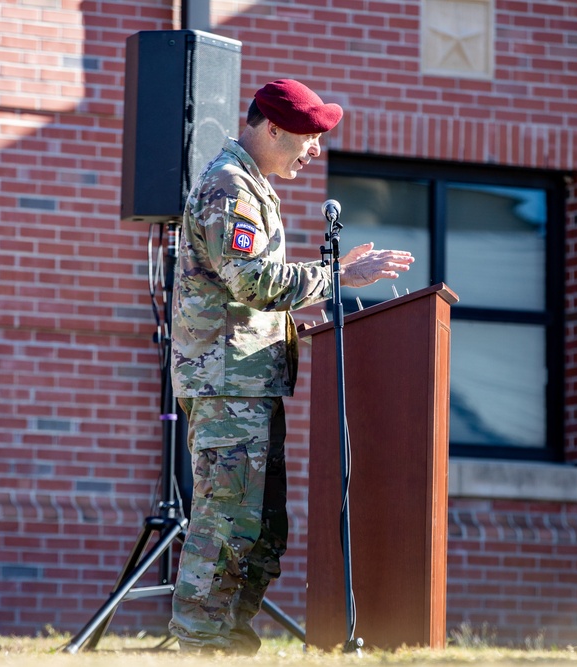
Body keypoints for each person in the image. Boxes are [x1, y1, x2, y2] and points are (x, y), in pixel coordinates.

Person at [168, 79, 414, 654]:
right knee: (226, 523)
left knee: (260, 529)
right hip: (228, 389)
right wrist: (338, 275)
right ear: (271, 128)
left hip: (248, 383)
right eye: (309, 136)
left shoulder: (250, 186)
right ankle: (201, 645)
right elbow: (254, 281)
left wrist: (291, 326)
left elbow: (242, 298)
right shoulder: (229, 187)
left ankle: (227, 640)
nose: (315, 151)